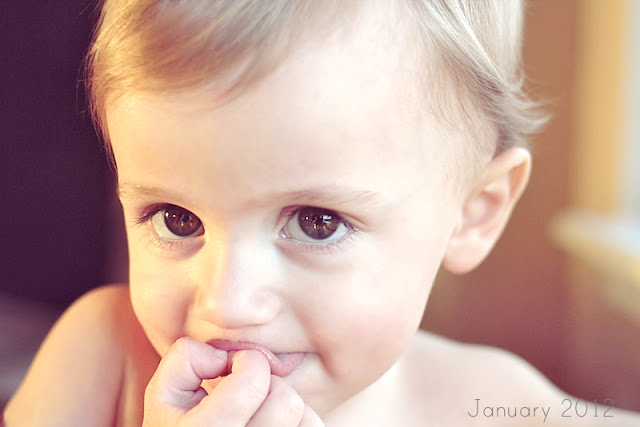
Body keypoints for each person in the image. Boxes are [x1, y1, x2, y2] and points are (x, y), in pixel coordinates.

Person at [4, 0, 639, 425]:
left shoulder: (491, 407)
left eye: (316, 222)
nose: (228, 303)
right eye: (176, 218)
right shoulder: (103, 361)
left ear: (473, 212)